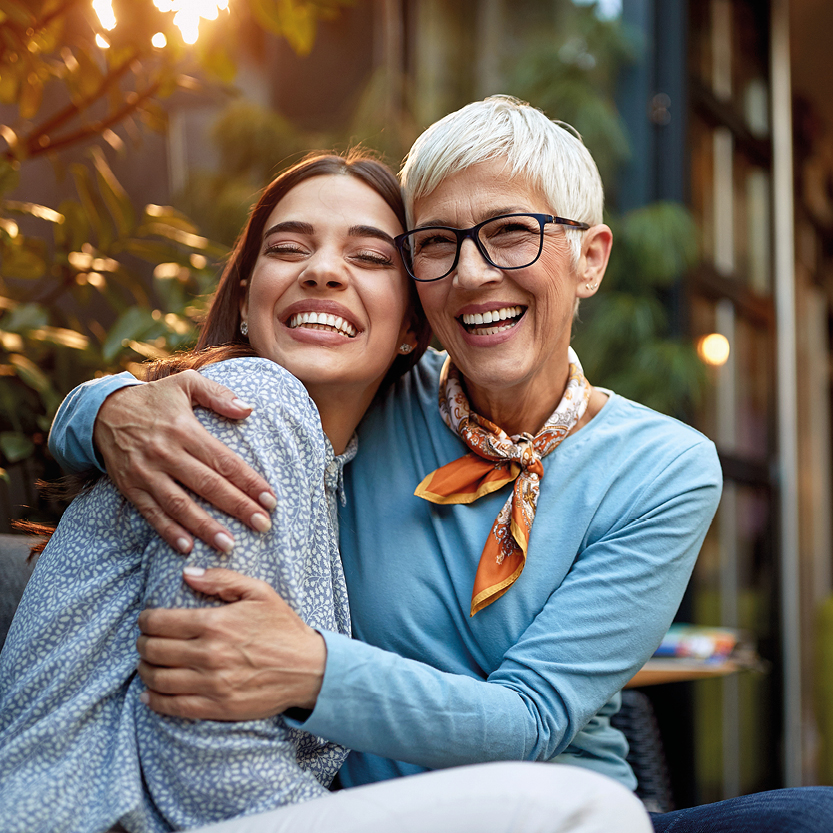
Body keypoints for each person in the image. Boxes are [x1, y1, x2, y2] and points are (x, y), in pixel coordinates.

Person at [49, 97, 833, 832]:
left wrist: (310, 669)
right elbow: (252, 377)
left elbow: (530, 719)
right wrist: (104, 408)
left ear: (589, 258)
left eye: (510, 233)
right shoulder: (371, 395)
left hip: (563, 799)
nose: (471, 273)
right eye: (436, 244)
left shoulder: (664, 467)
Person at [3, 149, 651, 833]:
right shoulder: (254, 405)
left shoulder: (346, 460)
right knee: (592, 812)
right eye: (288, 248)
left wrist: (93, 406)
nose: (322, 269)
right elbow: (208, 767)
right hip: (105, 817)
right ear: (248, 299)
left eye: (371, 259)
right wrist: (100, 408)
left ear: (411, 325)